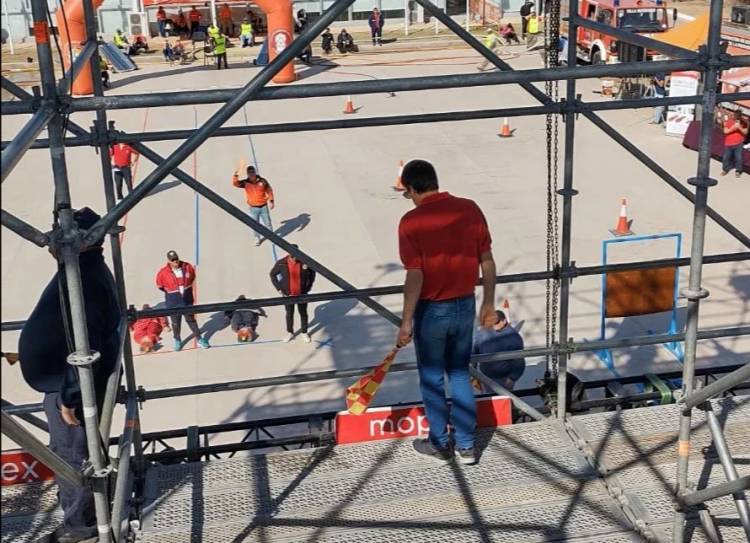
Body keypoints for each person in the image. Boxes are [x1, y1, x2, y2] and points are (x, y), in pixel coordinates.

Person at [18, 207, 121, 543]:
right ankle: (83, 519)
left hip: (71, 390)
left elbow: (86, 343)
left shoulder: (84, 279)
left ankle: (80, 528)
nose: (52, 241)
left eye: (59, 235)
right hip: (66, 382)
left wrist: (70, 397)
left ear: (79, 240)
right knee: (72, 453)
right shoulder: (83, 269)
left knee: (73, 458)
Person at [396, 159, 496, 466]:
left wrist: (406, 321)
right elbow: (487, 260)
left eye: (408, 193)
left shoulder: (411, 222)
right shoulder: (469, 209)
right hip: (465, 304)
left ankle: (440, 444)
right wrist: (488, 302)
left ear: (413, 188)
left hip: (432, 311)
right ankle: (467, 447)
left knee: (432, 379)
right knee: (459, 375)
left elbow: (415, 275)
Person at [155, 251, 210, 351]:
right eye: (173, 260)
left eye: (176, 258)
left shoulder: (187, 267)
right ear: (168, 261)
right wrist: (173, 293)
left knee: (191, 321)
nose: (175, 261)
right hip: (173, 303)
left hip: (187, 301)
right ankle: (177, 340)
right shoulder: (163, 273)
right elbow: (160, 285)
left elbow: (192, 277)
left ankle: (199, 339)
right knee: (175, 324)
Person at [270, 246, 316, 343]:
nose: (296, 258)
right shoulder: (282, 263)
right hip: (288, 295)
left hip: (302, 294)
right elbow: (272, 274)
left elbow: (313, 272)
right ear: (290, 255)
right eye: (294, 256)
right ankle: (290, 332)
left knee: (303, 313)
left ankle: (304, 332)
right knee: (289, 314)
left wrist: (309, 286)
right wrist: (279, 289)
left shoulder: (304, 261)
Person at [472, 309, 525, 390]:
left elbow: (519, 361)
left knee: (505, 400)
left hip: (504, 379)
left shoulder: (513, 337)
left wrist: (512, 379)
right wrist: (474, 374)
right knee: (489, 400)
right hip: (485, 377)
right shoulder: (483, 333)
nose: (493, 326)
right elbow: (474, 351)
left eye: (496, 323)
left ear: (504, 321)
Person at [232, 164, 275, 246]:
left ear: (255, 172)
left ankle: (272, 238)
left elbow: (269, 190)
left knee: (268, 223)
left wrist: (271, 201)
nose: (251, 175)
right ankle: (257, 238)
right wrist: (236, 175)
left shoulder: (263, 181)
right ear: (247, 174)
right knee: (255, 224)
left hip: (263, 206)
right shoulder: (245, 183)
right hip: (253, 207)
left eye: (253, 173)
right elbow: (236, 183)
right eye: (249, 173)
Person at [721, 109, 748, 178]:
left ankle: (738, 171)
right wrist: (733, 128)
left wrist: (739, 127)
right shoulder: (729, 121)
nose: (736, 116)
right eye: (735, 115)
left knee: (739, 157)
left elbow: (745, 132)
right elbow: (725, 131)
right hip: (728, 143)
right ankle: (725, 169)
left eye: (738, 115)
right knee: (726, 157)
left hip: (739, 143)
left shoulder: (744, 122)